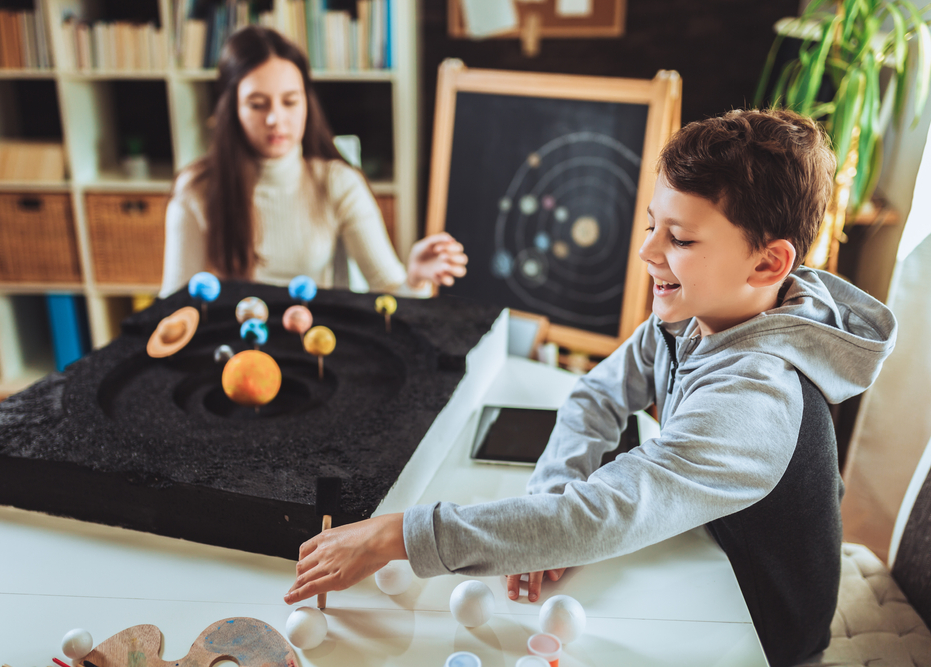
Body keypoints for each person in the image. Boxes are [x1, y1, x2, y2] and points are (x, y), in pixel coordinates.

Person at [282, 108, 899, 666]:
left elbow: (607, 513)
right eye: (655, 225)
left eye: (680, 239)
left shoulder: (758, 399)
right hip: (699, 559)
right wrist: (556, 492)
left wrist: (397, 535)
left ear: (767, 263)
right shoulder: (701, 312)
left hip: (758, 629)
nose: (647, 251)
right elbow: (597, 395)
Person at [159, 26, 466, 298]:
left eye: (290, 101)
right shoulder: (197, 190)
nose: (275, 119)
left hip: (316, 346)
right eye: (257, 104)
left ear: (307, 102)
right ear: (231, 109)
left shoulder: (337, 182)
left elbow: (387, 289)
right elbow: (172, 305)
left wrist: (414, 278)